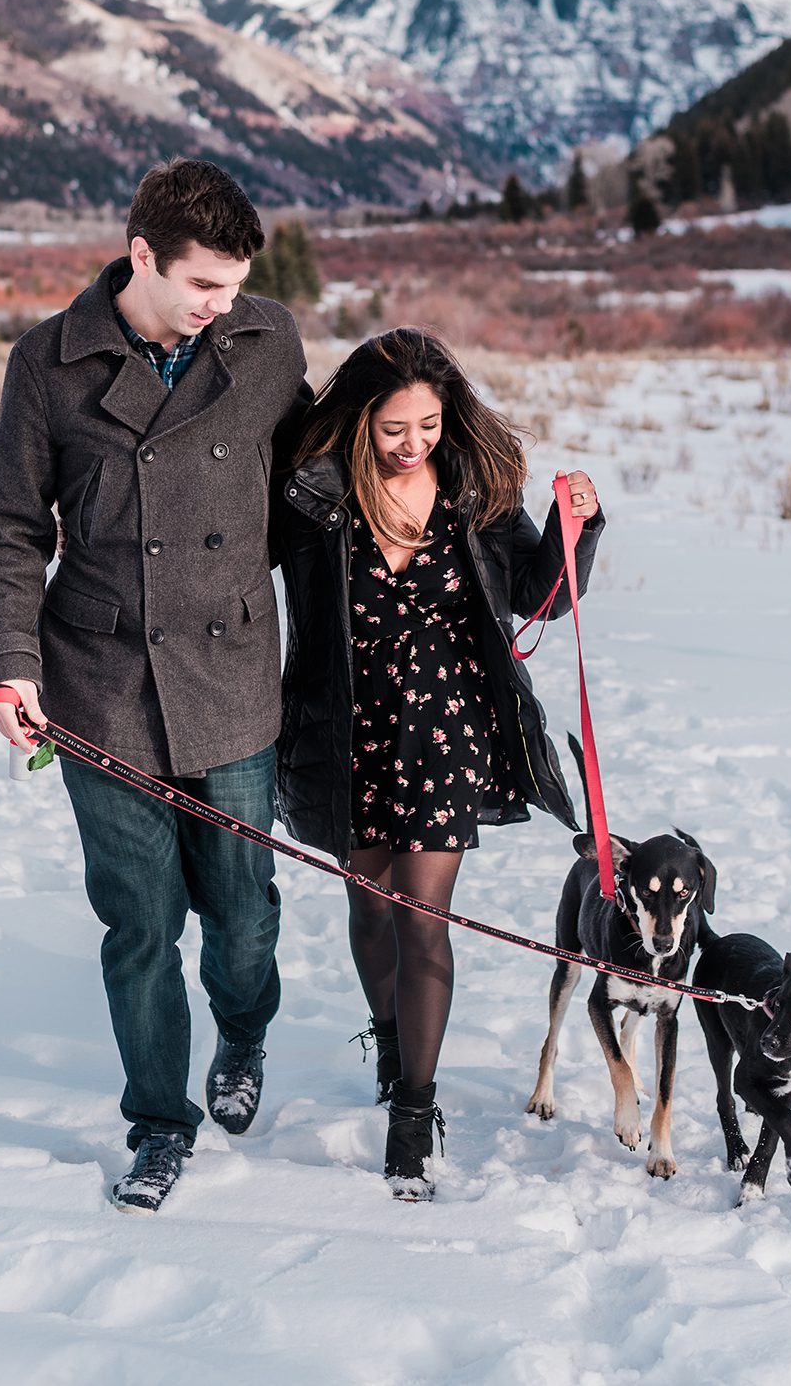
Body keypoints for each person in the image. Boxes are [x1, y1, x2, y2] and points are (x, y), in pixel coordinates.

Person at [0, 159, 310, 1213]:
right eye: (202, 284)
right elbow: (13, 526)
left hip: (235, 675)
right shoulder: (50, 365)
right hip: (103, 681)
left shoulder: (263, 342)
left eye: (234, 285)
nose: (221, 305)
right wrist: (9, 665)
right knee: (140, 923)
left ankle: (243, 1034)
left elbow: (314, 478)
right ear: (142, 254)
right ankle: (160, 1123)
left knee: (244, 920)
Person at [276, 328, 602, 1200]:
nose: (413, 442)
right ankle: (389, 1038)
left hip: (447, 731)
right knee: (370, 906)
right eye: (393, 429)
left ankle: (414, 1110)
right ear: (358, 423)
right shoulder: (312, 495)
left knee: (424, 918)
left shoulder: (475, 487)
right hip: (345, 728)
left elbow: (541, 594)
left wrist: (581, 528)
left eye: (427, 423)